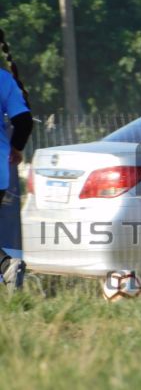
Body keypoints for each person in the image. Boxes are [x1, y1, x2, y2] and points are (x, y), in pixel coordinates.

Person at [0, 29, 33, 291]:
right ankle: (7, 268)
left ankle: (7, 266)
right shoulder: (5, 79)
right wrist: (17, 149)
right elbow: (24, 121)